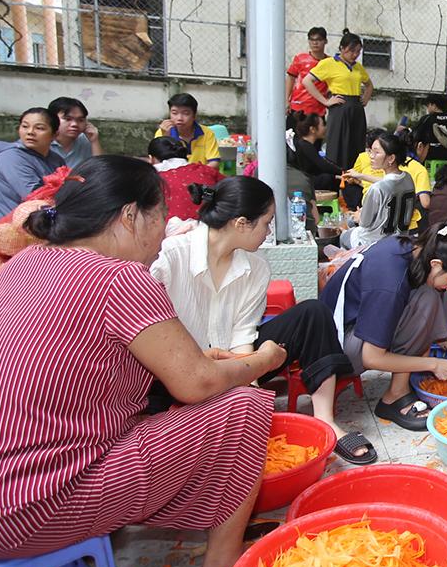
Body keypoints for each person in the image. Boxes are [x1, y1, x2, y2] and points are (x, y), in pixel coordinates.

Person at [0, 156, 285, 567]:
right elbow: (198, 385)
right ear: (131, 217)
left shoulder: (23, 263)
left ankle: (100, 540)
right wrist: (263, 361)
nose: (162, 235)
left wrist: (197, 363)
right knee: (244, 405)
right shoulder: (119, 278)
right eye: (160, 218)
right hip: (15, 515)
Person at [152, 178, 375, 465]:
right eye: (267, 222)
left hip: (231, 363)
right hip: (176, 371)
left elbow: (242, 338)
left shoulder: (255, 267)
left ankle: (326, 421)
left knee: (313, 313)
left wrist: (251, 391)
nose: (269, 231)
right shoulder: (171, 257)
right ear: (242, 223)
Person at [321, 220, 447, 429]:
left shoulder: (413, 249)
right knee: (429, 296)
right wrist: (433, 364)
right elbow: (372, 358)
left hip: (350, 329)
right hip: (334, 351)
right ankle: (394, 397)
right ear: (436, 264)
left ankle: (401, 386)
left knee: (432, 291)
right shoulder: (391, 283)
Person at [302, 31, 371, 172]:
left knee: (356, 144)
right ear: (342, 48)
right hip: (339, 106)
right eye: (352, 50)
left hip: (356, 108)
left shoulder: (358, 67)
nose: (355, 54)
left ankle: (354, 177)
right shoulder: (328, 63)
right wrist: (325, 101)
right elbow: (307, 81)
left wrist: (365, 98)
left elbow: (369, 85)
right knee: (337, 144)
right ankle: (336, 178)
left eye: (358, 51)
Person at [0, 107, 68, 224]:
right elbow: (36, 196)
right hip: (9, 229)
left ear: (54, 135)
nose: (30, 132)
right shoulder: (11, 157)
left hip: (40, 223)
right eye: (25, 126)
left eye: (39, 128)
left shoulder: (56, 159)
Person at [341, 133, 419, 251]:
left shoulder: (377, 188)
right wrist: (361, 176)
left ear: (391, 158)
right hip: (401, 238)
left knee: (344, 233)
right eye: (370, 151)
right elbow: (388, 183)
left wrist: (358, 216)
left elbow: (364, 223)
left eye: (376, 152)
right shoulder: (407, 178)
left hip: (375, 243)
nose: (371, 156)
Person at [149, 136, 224, 221]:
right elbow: (233, 189)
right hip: (213, 226)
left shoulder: (153, 180)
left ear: (151, 159)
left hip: (170, 231)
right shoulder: (206, 171)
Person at [155, 93, 221, 167]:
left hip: (201, 176)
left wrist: (195, 174)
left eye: (186, 113)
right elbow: (158, 163)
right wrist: (166, 137)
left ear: (194, 115)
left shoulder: (207, 133)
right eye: (174, 113)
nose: (179, 118)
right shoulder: (162, 133)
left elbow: (214, 162)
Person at [287, 113, 342, 196]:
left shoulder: (306, 145)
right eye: (323, 125)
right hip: (306, 181)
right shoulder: (305, 146)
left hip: (308, 179)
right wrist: (343, 171)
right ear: (312, 129)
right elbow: (323, 165)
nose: (325, 128)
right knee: (329, 178)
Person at [285, 26, 329, 127]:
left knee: (315, 142)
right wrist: (286, 100)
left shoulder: (330, 62)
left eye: (318, 40)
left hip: (318, 110)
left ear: (325, 41)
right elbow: (291, 78)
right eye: (312, 40)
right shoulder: (300, 59)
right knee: (292, 140)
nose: (315, 43)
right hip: (298, 108)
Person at [48, 96, 103, 170]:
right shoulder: (42, 140)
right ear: (52, 119)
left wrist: (94, 141)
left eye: (80, 120)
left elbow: (100, 170)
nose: (75, 124)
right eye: (68, 119)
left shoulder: (85, 139)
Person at [413, 93, 447, 164]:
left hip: (430, 154)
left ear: (434, 105)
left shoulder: (427, 119)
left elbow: (417, 135)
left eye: (428, 105)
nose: (428, 108)